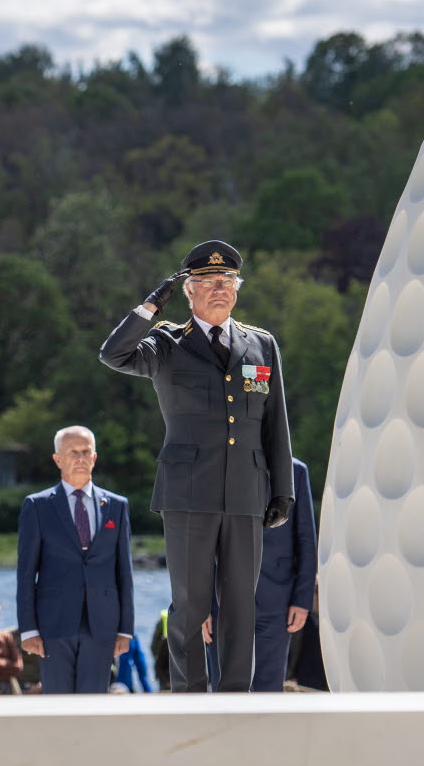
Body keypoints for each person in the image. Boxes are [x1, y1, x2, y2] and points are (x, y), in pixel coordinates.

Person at [100, 240, 294, 693]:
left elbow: (275, 422)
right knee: (190, 607)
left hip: (246, 491)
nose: (219, 290)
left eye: (227, 282)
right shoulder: (167, 343)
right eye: (207, 283)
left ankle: (234, 700)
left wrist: (282, 489)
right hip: (188, 493)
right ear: (189, 291)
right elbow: (113, 354)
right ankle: (190, 700)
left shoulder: (260, 344)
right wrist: (151, 305)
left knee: (241, 606)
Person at [16, 425, 135, 694]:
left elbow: (124, 572)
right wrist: (28, 630)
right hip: (54, 624)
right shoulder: (37, 506)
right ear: (58, 459)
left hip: (102, 624)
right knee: (58, 705)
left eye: (86, 452)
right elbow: (25, 574)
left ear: (94, 457)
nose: (80, 458)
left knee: (94, 705)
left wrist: (125, 629)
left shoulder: (117, 505)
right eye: (73, 453)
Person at [251, 458, 317, 691]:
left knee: (268, 689)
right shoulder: (220, 461)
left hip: (278, 600)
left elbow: (306, 538)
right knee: (224, 690)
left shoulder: (296, 471)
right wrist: (203, 603)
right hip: (223, 599)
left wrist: (302, 600)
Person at [9, 627, 43, 693]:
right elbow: (10, 667)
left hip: (47, 685)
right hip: (23, 689)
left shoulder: (50, 636)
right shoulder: (12, 637)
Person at [150, 610, 171, 692]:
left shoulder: (163, 617)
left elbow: (153, 646)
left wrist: (157, 656)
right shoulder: (185, 614)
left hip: (163, 668)